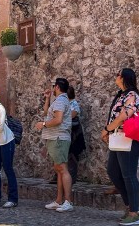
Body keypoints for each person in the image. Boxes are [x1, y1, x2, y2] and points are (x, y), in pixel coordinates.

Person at [101, 68, 139, 226]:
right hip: (119, 138)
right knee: (113, 171)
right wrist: (110, 130)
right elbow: (116, 116)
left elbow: (123, 116)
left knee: (128, 174)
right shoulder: (121, 95)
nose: (116, 76)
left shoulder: (131, 95)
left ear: (124, 78)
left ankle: (135, 213)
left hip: (130, 138)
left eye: (118, 74)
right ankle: (131, 207)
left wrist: (106, 129)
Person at [34, 77, 74, 213]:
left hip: (59, 138)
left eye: (53, 87)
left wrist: (43, 124)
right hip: (56, 138)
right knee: (59, 169)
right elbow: (46, 113)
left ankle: (68, 201)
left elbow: (58, 119)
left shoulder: (61, 101)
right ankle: (59, 200)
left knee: (62, 168)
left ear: (57, 87)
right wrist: (47, 98)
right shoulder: (58, 101)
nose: (52, 89)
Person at [67, 86, 85, 184]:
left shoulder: (74, 104)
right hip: (66, 133)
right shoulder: (64, 103)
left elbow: (71, 116)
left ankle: (71, 178)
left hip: (73, 135)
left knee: (72, 157)